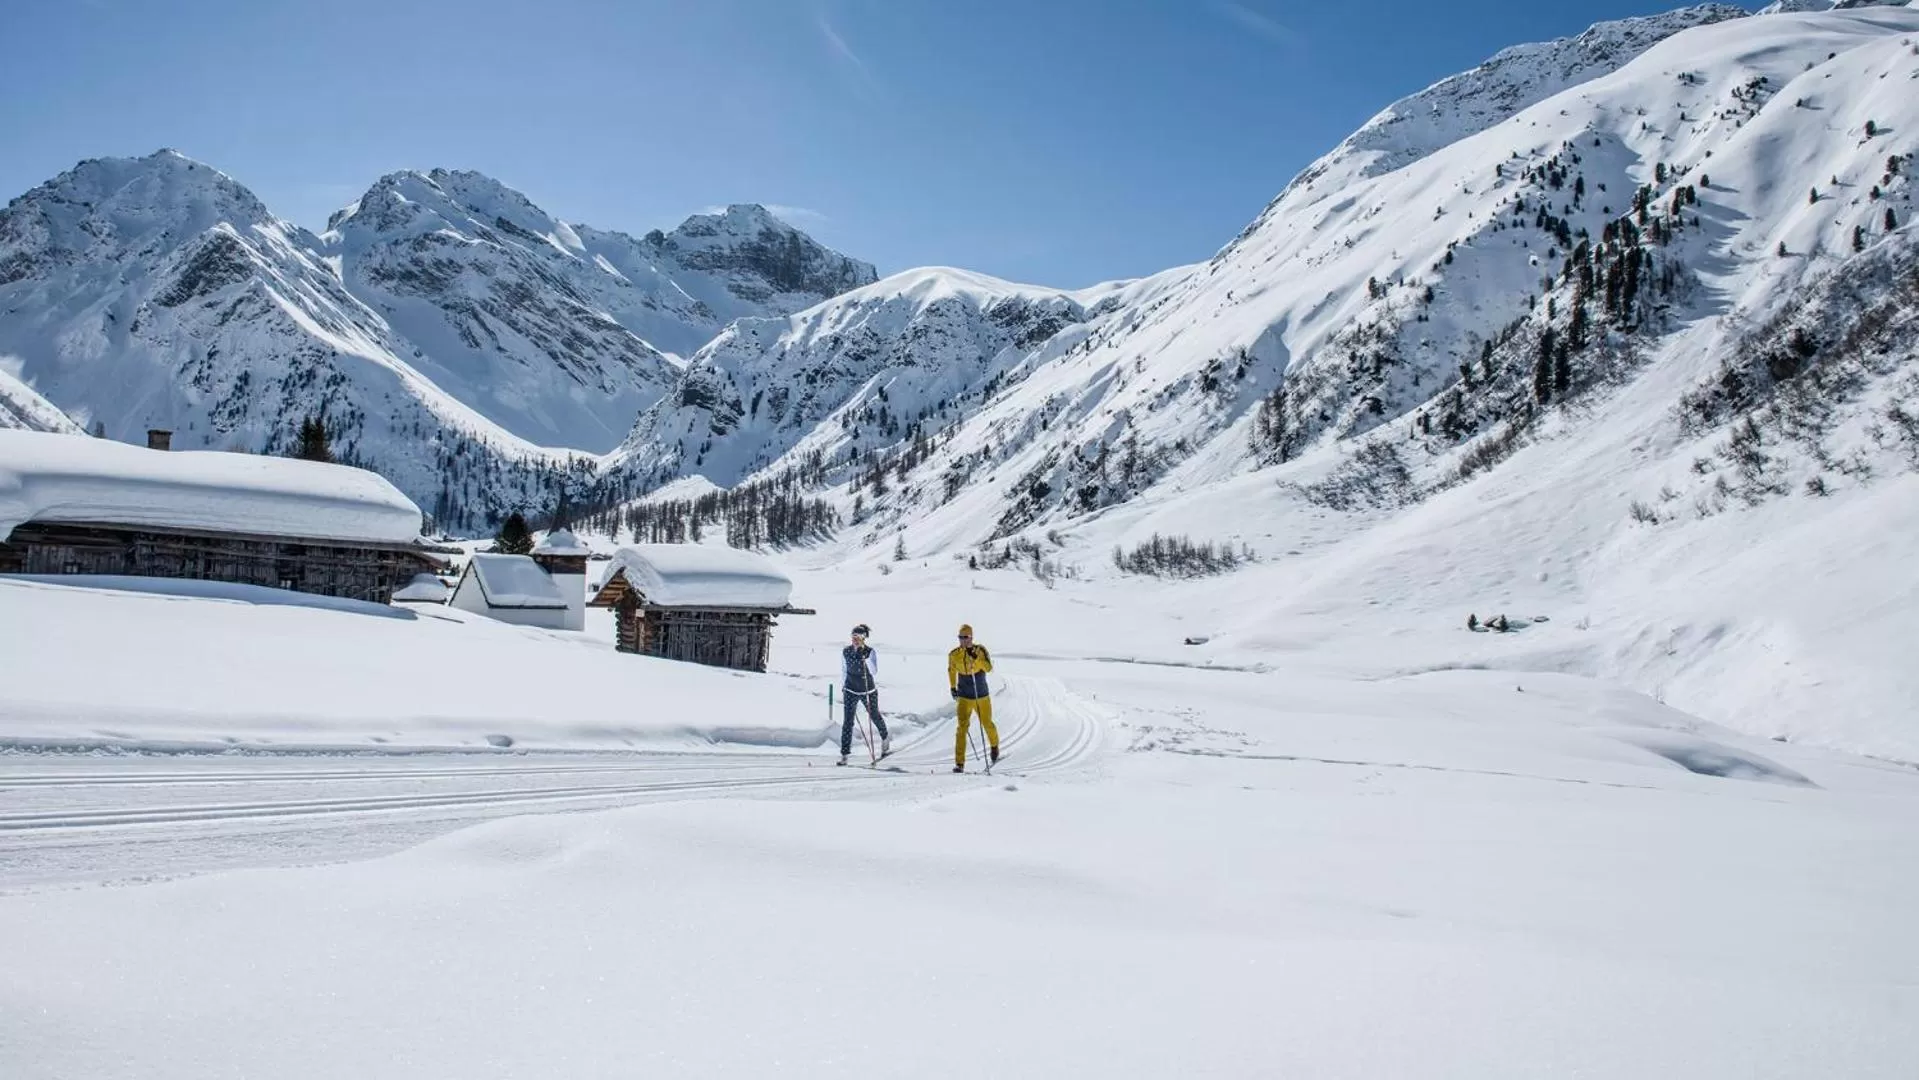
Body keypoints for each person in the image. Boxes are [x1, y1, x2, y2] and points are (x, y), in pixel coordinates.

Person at [947, 623, 998, 773]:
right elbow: (951, 671)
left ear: (971, 637)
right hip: (964, 694)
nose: (963, 640)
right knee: (961, 728)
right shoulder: (954, 654)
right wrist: (952, 688)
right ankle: (959, 763)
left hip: (980, 694)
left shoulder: (980, 650)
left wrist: (976, 659)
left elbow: (989, 668)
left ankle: (994, 746)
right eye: (960, 637)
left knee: (987, 723)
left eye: (965, 637)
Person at [839, 624, 888, 765]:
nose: (855, 639)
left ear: (864, 638)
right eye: (853, 636)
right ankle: (844, 754)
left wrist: (865, 657)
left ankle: (885, 738)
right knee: (848, 722)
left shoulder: (870, 652)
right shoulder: (846, 651)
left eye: (858, 637)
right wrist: (843, 685)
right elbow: (844, 669)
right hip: (850, 689)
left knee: (874, 716)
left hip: (868, 690)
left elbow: (874, 671)